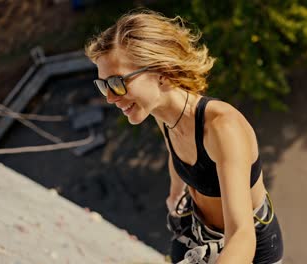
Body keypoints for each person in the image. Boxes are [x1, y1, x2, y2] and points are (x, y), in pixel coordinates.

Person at [84, 9, 283, 264]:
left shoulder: (222, 128)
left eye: (117, 83)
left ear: (162, 73)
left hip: (248, 248)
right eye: (103, 86)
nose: (109, 98)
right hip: (195, 229)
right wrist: (175, 192)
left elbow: (242, 235)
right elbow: (175, 149)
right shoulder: (160, 112)